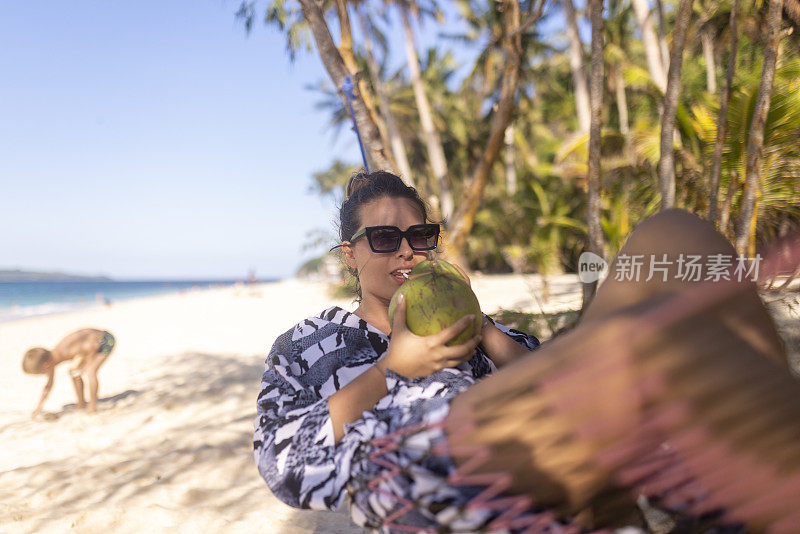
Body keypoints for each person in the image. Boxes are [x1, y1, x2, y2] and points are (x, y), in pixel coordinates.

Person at [254, 171, 800, 532]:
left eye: (420, 236)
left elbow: (548, 369)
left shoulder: (477, 327)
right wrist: (392, 367)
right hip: (409, 463)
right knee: (635, 345)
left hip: (539, 435)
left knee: (677, 235)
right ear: (350, 256)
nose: (406, 250)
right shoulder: (307, 345)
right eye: (383, 239)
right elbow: (284, 463)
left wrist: (479, 324)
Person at [23, 328, 116, 417]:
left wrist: (89, 363)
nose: (45, 374)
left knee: (90, 371)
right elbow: (48, 386)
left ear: (46, 365)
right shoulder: (50, 361)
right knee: (74, 372)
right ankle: (81, 404)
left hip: (104, 340)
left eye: (41, 373)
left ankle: (92, 406)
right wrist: (39, 406)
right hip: (88, 346)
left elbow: (93, 345)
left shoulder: (65, 352)